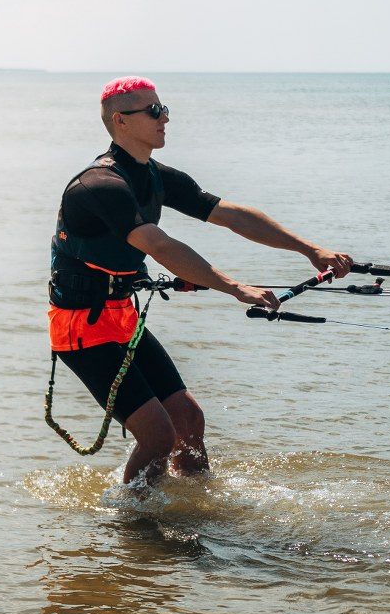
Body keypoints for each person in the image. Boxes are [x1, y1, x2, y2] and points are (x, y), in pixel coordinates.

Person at [48, 76, 351, 486]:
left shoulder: (153, 175)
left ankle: (197, 506)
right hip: (81, 327)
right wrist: (235, 287)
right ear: (120, 121)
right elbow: (159, 245)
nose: (165, 118)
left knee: (189, 420)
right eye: (153, 111)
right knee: (157, 435)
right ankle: (133, 527)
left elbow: (232, 215)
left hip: (121, 315)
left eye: (164, 108)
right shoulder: (99, 186)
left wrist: (310, 249)